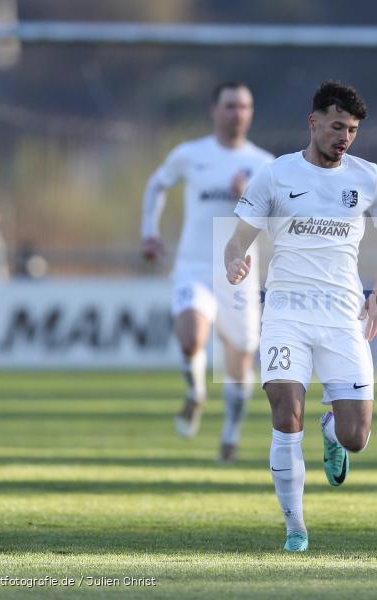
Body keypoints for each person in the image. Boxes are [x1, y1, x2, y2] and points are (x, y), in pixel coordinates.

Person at [224, 81, 377, 552]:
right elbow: (238, 238)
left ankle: (333, 432)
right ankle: (295, 528)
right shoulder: (276, 175)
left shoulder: (368, 178)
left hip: (343, 317)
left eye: (352, 130)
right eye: (336, 127)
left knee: (356, 437)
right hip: (285, 313)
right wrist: (234, 259)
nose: (344, 137)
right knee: (286, 412)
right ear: (313, 123)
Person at [141, 81, 273, 463]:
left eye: (245, 106)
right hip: (194, 266)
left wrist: (248, 196)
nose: (238, 113)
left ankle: (230, 434)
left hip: (239, 273)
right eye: (231, 106)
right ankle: (196, 392)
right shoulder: (190, 154)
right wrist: (149, 233)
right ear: (214, 111)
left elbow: (278, 221)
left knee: (239, 360)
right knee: (190, 338)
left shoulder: (265, 164)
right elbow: (156, 185)